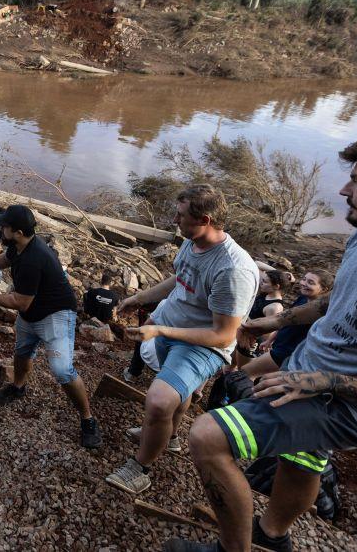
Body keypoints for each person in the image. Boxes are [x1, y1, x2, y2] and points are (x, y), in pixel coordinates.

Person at [170, 132, 357, 552]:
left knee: (208, 436)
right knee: (301, 458)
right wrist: (271, 322)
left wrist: (326, 381)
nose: (344, 190)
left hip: (349, 406)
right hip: (312, 376)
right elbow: (338, 301)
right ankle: (272, 535)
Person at [105, 184, 259, 495]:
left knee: (159, 400)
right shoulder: (192, 242)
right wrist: (141, 298)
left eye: (180, 215)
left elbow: (224, 334)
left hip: (203, 345)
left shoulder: (232, 270)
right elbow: (181, 277)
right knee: (177, 391)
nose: (174, 220)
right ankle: (170, 437)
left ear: (205, 219)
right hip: (172, 325)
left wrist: (160, 331)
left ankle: (141, 469)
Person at [0, 205, 103, 449]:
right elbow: (1, 260)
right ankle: (18, 387)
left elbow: (19, 302)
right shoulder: (18, 246)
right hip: (31, 312)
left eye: (4, 226)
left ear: (19, 231)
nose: (0, 228)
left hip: (55, 314)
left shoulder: (35, 258)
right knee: (22, 353)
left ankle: (87, 419)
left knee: (62, 370)